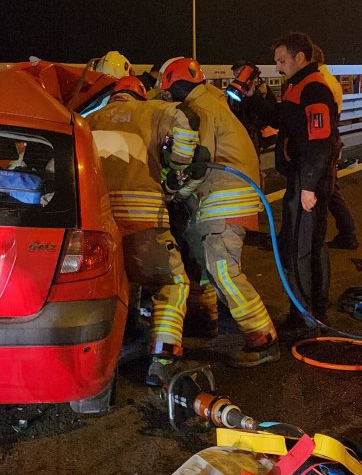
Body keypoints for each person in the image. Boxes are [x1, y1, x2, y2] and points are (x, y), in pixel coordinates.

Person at [160, 57, 280, 368]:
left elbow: (200, 161)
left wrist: (175, 191)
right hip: (225, 194)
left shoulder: (202, 108)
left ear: (173, 83)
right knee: (204, 259)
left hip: (225, 196)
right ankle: (207, 320)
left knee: (223, 270)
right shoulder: (211, 101)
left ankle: (262, 338)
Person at [86, 75, 199, 386]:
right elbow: (186, 133)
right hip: (145, 220)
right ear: (139, 95)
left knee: (122, 283)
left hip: (99, 225)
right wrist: (175, 171)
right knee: (173, 282)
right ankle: (163, 357)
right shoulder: (155, 110)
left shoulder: (89, 119)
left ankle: (121, 343)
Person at [271, 32, 340, 336]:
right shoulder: (297, 86)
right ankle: (315, 312)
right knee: (311, 244)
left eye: (282, 61)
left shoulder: (313, 89)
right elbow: (284, 119)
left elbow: (320, 140)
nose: (278, 67)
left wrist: (309, 185)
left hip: (307, 179)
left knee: (301, 247)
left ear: (300, 58)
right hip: (304, 177)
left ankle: (305, 318)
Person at [312, 44, 359, 251]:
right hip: (331, 139)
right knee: (330, 192)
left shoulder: (319, 82)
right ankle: (347, 234)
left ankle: (341, 236)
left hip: (323, 143)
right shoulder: (329, 79)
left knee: (325, 193)